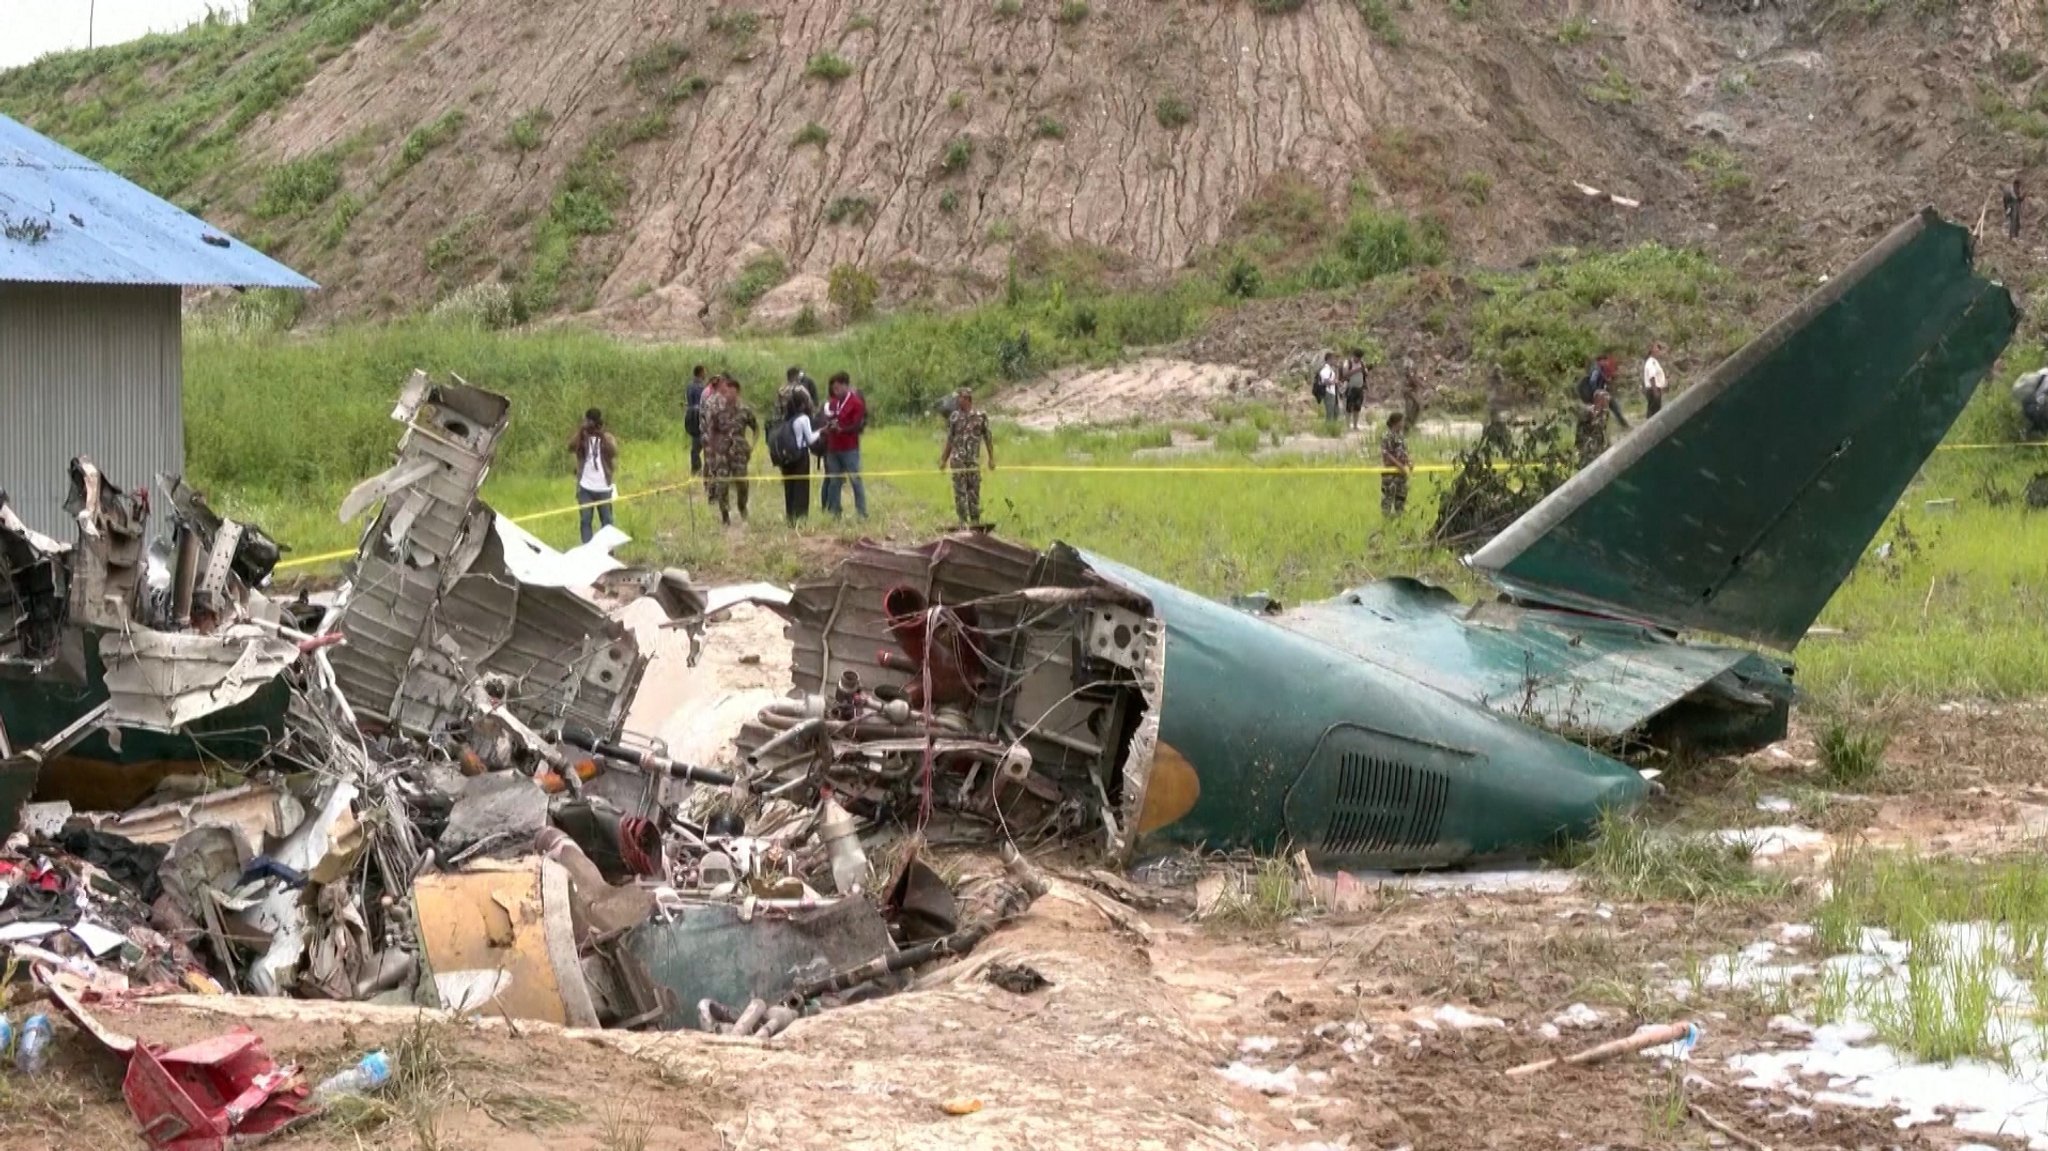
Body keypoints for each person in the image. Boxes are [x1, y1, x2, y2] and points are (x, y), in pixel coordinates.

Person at [702, 376, 759, 525]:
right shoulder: (718, 411)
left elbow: (755, 428)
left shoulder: (745, 411)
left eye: (731, 392)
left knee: (742, 483)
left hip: (739, 452)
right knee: (722, 484)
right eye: (726, 392)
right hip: (722, 452)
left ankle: (742, 506)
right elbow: (712, 429)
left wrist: (752, 446)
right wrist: (714, 448)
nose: (728, 395)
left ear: (737, 393)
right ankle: (725, 515)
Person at [940, 387, 996, 524]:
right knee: (960, 492)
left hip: (972, 461)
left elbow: (987, 438)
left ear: (967, 399)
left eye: (960, 398)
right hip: (957, 461)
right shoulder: (954, 417)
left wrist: (991, 458)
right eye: (958, 398)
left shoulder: (980, 416)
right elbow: (950, 440)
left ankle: (975, 521)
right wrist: (943, 460)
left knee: (974, 491)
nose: (958, 400)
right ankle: (962, 521)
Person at [822, 372, 870, 518]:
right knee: (834, 481)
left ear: (845, 386)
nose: (835, 391)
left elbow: (856, 425)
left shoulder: (856, 403)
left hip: (849, 448)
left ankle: (861, 512)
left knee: (855, 479)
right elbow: (827, 418)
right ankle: (835, 512)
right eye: (833, 389)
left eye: (837, 388)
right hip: (833, 447)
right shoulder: (833, 403)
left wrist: (841, 429)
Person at [569, 408, 618, 545]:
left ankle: (608, 550)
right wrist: (580, 432)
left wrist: (601, 435)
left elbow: (614, 452)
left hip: (604, 487)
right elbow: (570, 447)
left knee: (607, 521)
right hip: (585, 487)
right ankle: (588, 551)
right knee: (585, 520)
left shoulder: (606, 437)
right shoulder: (582, 438)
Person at [772, 379, 818, 523]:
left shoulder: (786, 419)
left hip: (788, 457)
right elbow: (810, 439)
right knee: (801, 488)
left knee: (789, 487)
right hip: (800, 456)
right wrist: (822, 431)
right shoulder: (803, 418)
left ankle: (790, 517)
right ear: (803, 404)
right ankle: (801, 518)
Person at [1380, 411, 1413, 517]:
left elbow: (1404, 451)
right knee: (1387, 499)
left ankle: (1399, 520)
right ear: (1396, 422)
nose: (1403, 423)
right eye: (1401, 421)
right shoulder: (1387, 436)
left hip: (1401, 475)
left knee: (1401, 500)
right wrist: (1399, 466)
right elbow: (1387, 454)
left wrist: (1409, 462)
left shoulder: (1401, 436)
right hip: (1390, 474)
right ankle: (1385, 523)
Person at [684, 364, 708, 476]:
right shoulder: (701, 388)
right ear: (701, 373)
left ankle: (696, 468)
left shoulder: (689, 386)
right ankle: (699, 469)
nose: (705, 374)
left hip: (690, 416)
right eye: (704, 372)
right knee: (701, 442)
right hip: (699, 416)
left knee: (695, 442)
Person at [1642, 342, 1668, 418]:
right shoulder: (1651, 362)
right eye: (1656, 348)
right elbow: (1652, 377)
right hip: (1653, 389)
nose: (1658, 350)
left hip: (1656, 389)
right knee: (1653, 413)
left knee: (1655, 411)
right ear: (1651, 350)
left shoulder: (1655, 361)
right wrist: (1655, 391)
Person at [1343, 349, 1367, 431]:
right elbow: (1345, 374)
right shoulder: (1348, 363)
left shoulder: (1362, 363)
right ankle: (1347, 426)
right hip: (1351, 388)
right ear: (1354, 356)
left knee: (1357, 408)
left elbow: (1365, 374)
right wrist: (1357, 370)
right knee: (1349, 408)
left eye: (1360, 358)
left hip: (1359, 388)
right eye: (1357, 357)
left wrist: (1365, 370)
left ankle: (1355, 425)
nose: (1358, 359)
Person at [1316, 352, 1341, 422]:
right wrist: (1334, 382)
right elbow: (1326, 381)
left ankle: (1332, 427)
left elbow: (1334, 379)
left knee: (1335, 411)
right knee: (1329, 412)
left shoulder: (1330, 370)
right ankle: (1328, 428)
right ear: (1329, 359)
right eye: (1333, 359)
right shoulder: (1325, 370)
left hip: (1332, 392)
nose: (1334, 361)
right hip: (1328, 392)